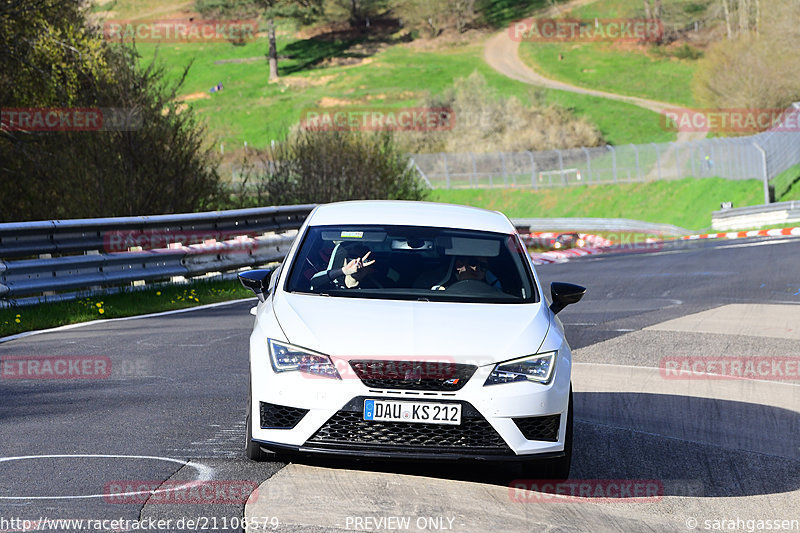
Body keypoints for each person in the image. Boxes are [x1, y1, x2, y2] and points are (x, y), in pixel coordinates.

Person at [310, 243, 378, 289]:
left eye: (364, 262)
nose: (356, 264)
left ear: (370, 269)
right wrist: (343, 271)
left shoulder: (377, 289)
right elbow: (314, 282)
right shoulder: (333, 284)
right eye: (352, 258)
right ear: (345, 260)